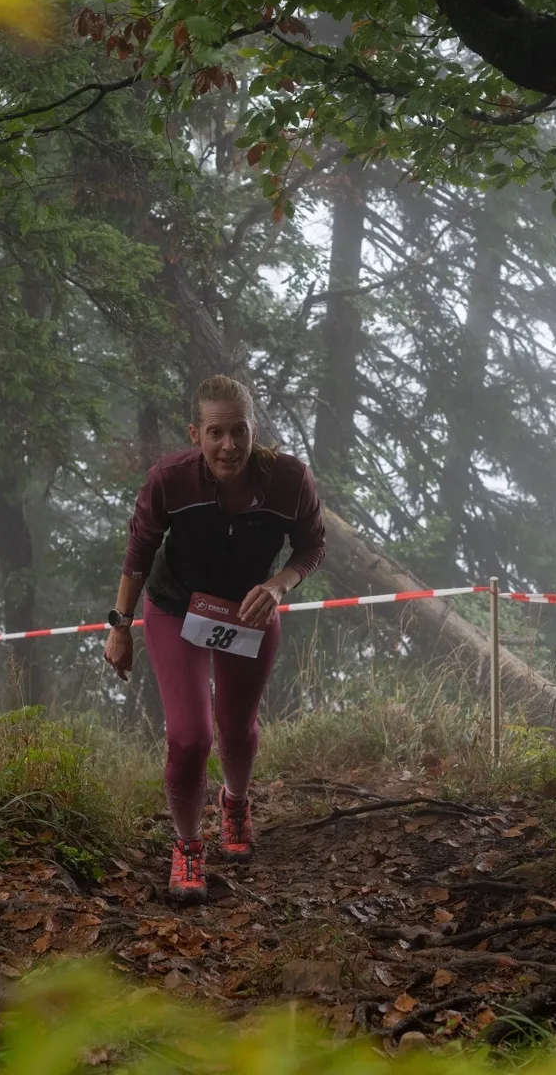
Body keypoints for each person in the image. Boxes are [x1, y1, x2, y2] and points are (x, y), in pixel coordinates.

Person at [104, 375, 325, 903]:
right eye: (216, 433)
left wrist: (277, 586)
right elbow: (138, 553)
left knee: (236, 726)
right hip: (176, 608)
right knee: (188, 737)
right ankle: (187, 846)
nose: (229, 446)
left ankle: (236, 802)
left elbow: (312, 547)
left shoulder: (290, 479)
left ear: (254, 430)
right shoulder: (170, 479)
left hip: (248, 610)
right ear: (195, 434)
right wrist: (120, 626)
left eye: (239, 431)